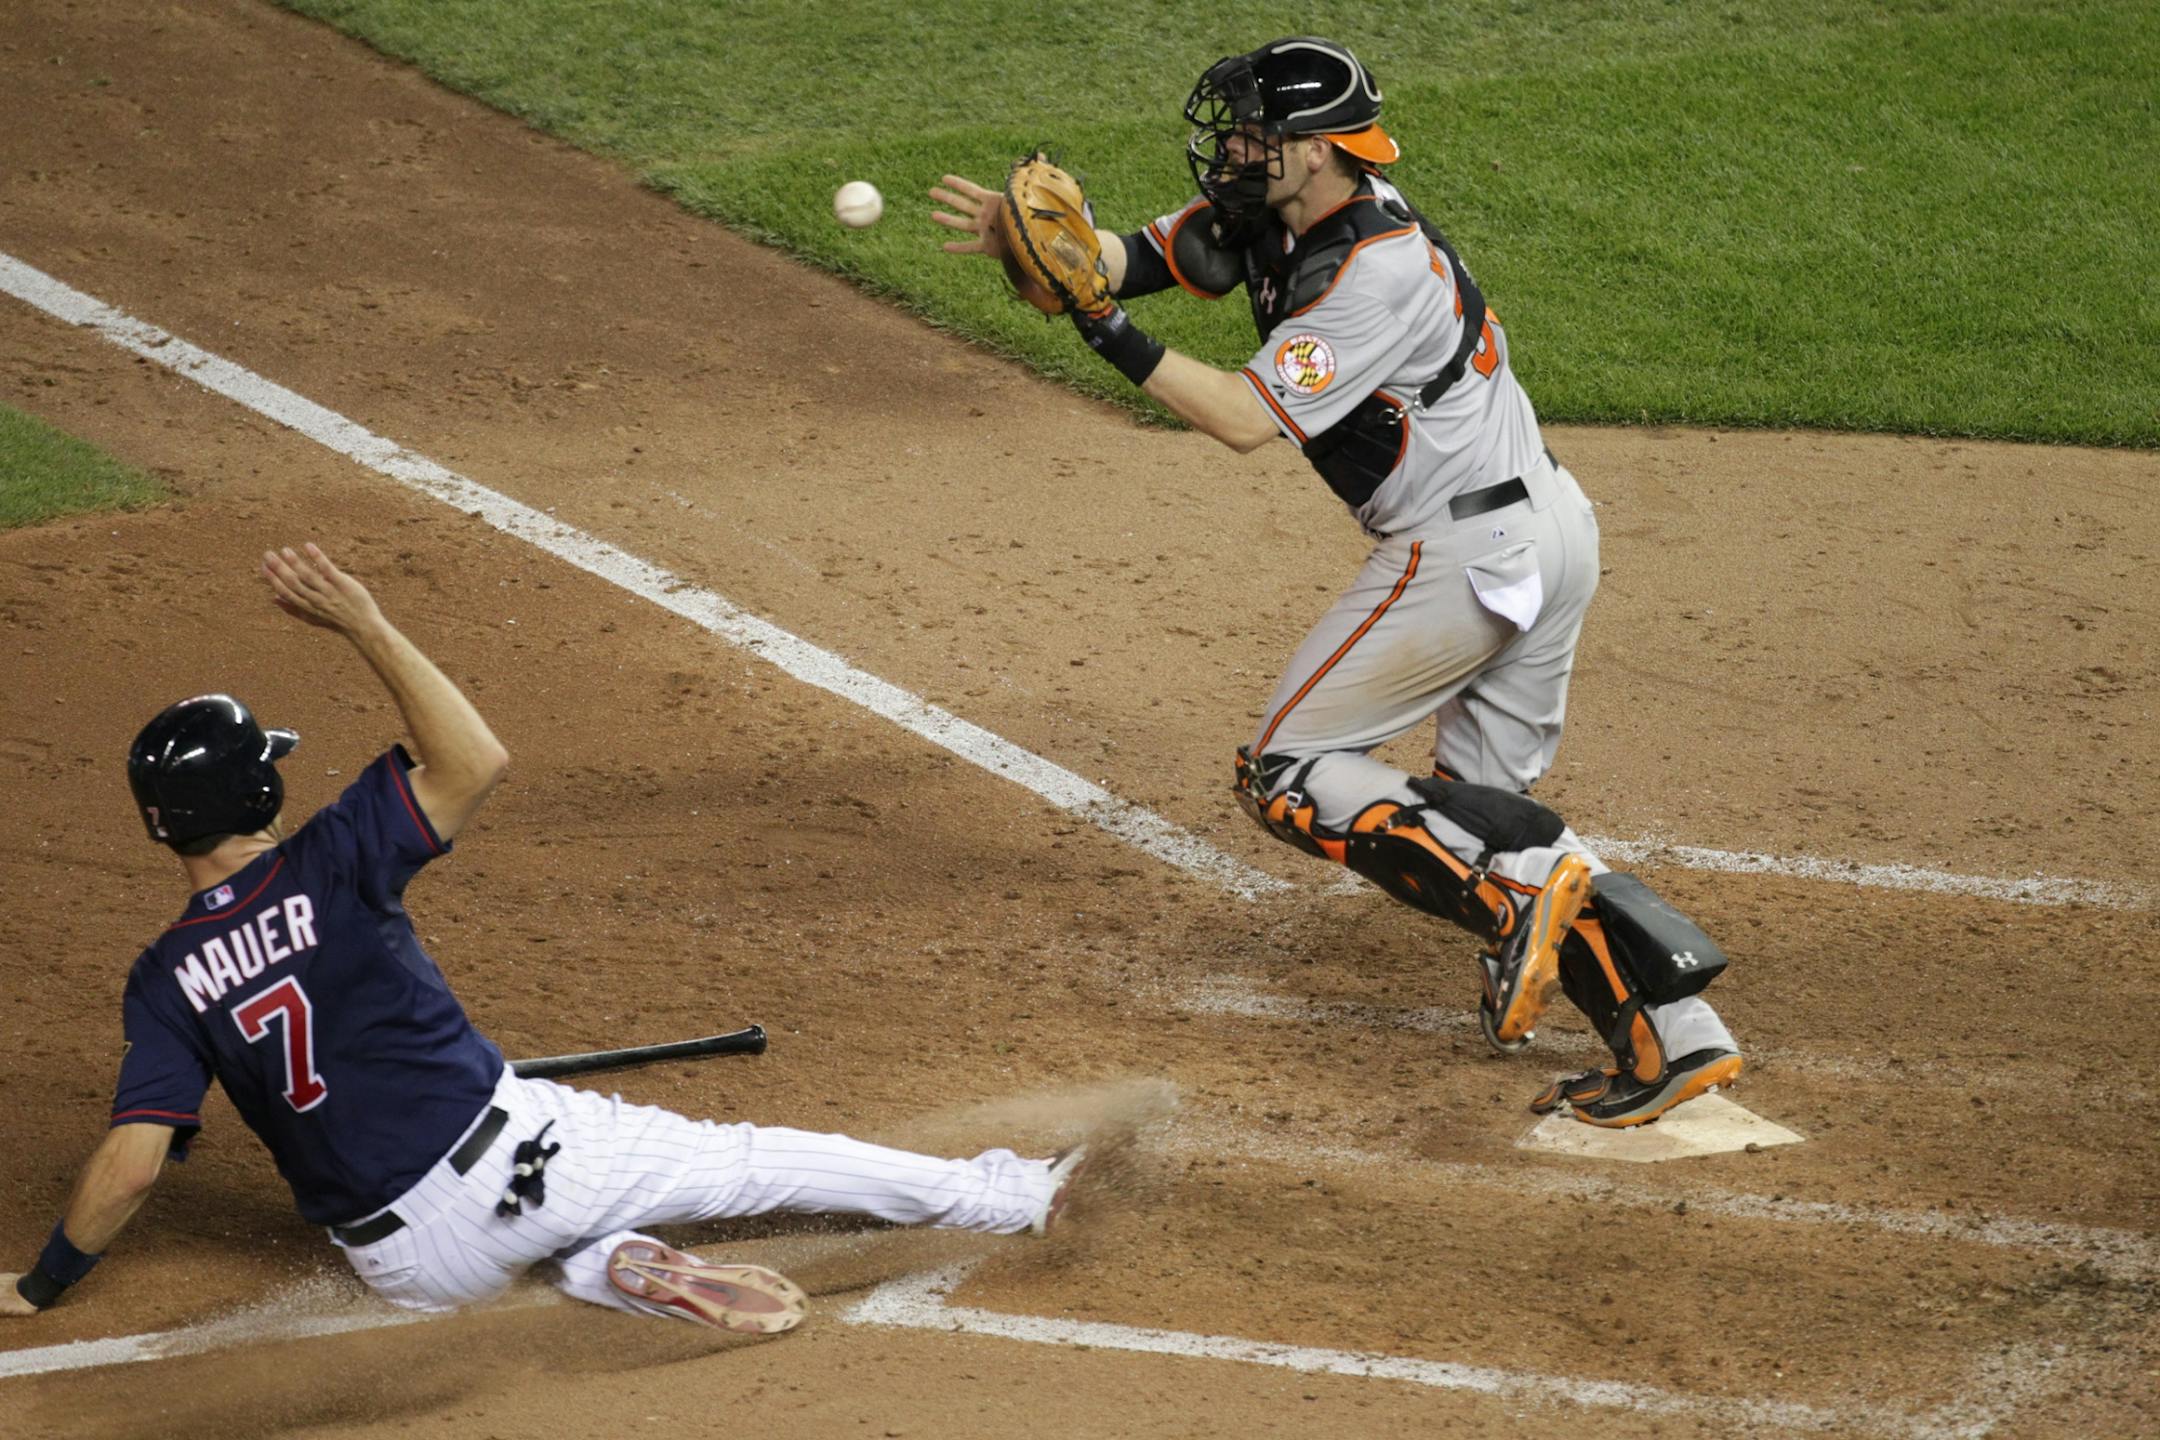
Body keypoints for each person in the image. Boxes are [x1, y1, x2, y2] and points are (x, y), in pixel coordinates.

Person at [932, 36, 1742, 1127]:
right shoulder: (1282, 210)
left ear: (1317, 152)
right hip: (1545, 531)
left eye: (1256, 130)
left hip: (1466, 554)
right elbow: (1136, 254)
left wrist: (1099, 326)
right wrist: (1031, 247)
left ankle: (1516, 908)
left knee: (1286, 769)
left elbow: (1237, 419)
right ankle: (1674, 1035)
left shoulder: (1377, 271)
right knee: (1484, 820)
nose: (1232, 147)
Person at [1, 543, 1084, 1332]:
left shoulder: (166, 978)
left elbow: (135, 1164)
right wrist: (367, 625)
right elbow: (474, 761)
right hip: (521, 1157)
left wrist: (40, 1282)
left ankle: (607, 1267)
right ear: (260, 786)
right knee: (745, 1163)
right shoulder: (329, 860)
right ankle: (1008, 1195)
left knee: (534, 1241)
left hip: (410, 1269)